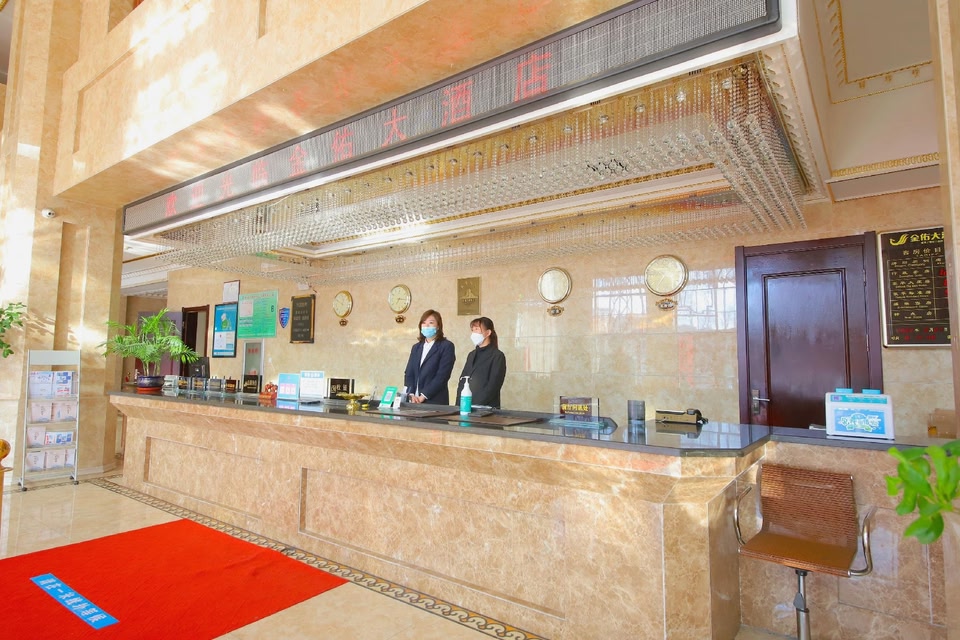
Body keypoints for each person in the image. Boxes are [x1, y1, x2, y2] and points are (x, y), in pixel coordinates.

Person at [403, 309, 456, 405]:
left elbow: (442, 376)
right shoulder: (416, 347)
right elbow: (409, 373)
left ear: (438, 326)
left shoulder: (446, 346)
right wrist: (410, 394)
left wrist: (423, 396)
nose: (426, 326)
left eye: (431, 323)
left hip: (434, 402)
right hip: (413, 401)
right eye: (424, 323)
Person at [455, 317, 506, 409]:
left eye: (477, 329)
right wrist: (459, 403)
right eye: (472, 330)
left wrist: (476, 404)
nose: (473, 333)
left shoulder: (497, 356)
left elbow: (493, 386)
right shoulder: (471, 355)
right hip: (465, 406)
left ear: (488, 333)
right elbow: (463, 380)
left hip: (486, 408)